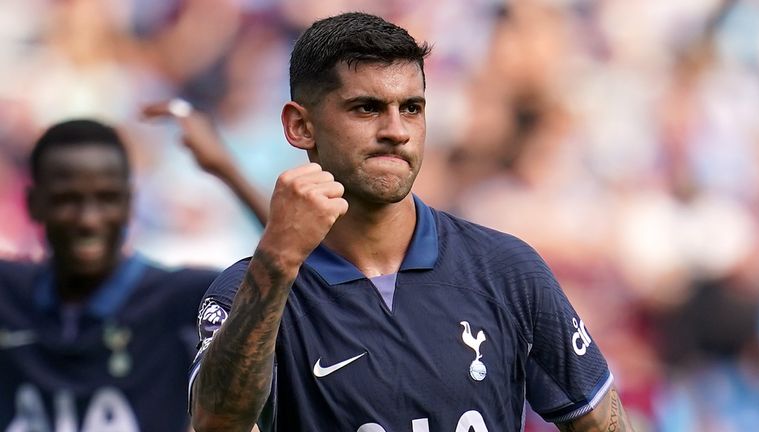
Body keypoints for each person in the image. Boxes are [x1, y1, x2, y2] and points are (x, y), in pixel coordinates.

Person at [189, 12, 635, 432]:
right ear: (300, 126)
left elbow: (601, 422)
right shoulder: (245, 293)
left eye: (412, 108)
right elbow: (216, 423)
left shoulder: (507, 271)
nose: (396, 130)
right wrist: (277, 263)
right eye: (366, 108)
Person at [0, 104, 267, 432]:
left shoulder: (177, 299)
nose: (88, 219)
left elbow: (302, 270)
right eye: (67, 199)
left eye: (107, 198)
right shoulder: (9, 293)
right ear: (33, 204)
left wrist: (225, 168)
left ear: (130, 203)